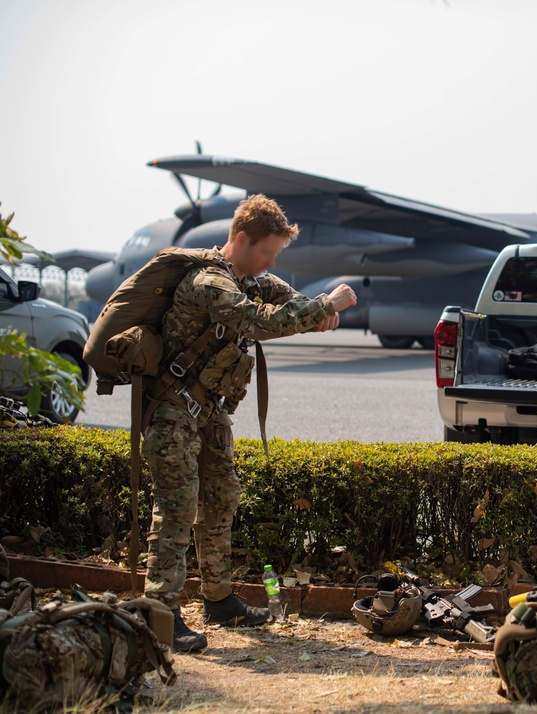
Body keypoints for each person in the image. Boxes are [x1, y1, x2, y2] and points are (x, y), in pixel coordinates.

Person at [141, 194, 357, 653]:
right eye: (267, 252)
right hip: (172, 412)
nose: (272, 261)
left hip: (208, 413)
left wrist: (318, 313)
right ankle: (159, 614)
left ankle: (218, 599)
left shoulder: (251, 278)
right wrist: (323, 306)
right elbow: (258, 323)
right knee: (177, 510)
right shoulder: (209, 282)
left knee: (220, 501)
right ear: (241, 239)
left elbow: (288, 304)